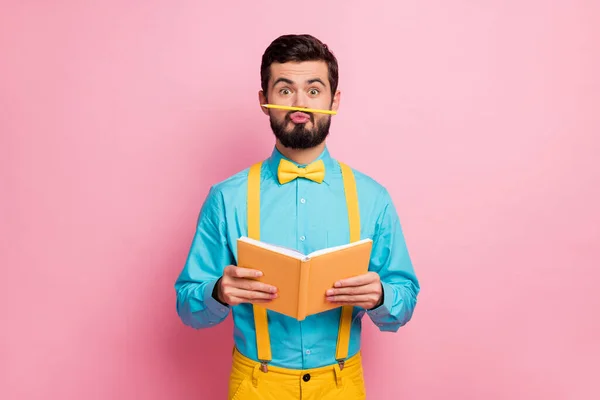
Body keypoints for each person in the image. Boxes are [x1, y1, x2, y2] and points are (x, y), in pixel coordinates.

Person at [174, 33, 420, 400]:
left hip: (341, 384)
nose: (300, 104)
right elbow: (188, 307)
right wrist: (217, 293)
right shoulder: (226, 198)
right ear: (264, 100)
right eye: (285, 90)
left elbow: (405, 301)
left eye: (314, 90)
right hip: (255, 384)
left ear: (334, 101)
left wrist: (382, 295)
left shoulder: (373, 198)